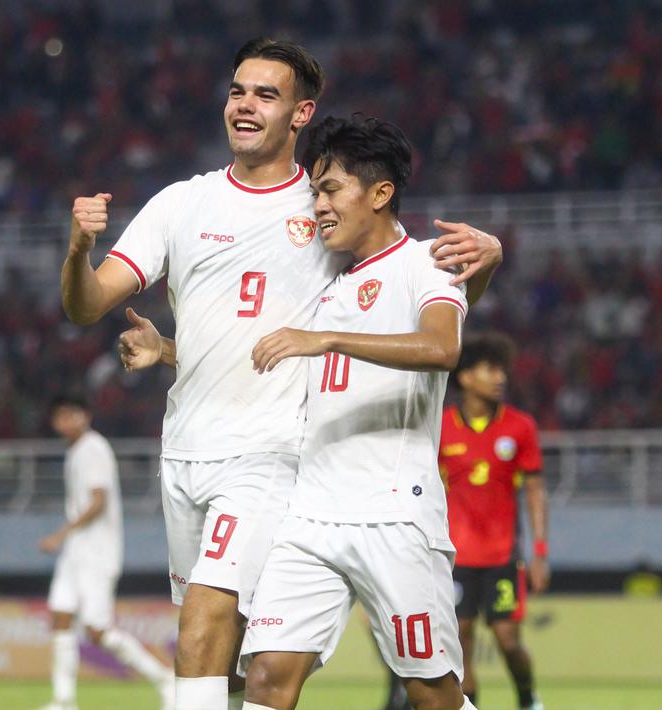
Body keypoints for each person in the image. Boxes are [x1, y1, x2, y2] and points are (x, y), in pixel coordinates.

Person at [63, 38, 503, 710]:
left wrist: (489, 256)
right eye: (237, 90)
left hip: (297, 468)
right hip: (225, 469)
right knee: (248, 670)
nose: (245, 104)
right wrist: (140, 318)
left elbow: (426, 315)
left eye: (265, 94)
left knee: (209, 628)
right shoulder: (187, 205)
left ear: (301, 114)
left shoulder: (345, 220)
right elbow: (96, 307)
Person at [235, 115, 480, 710]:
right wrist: (165, 350)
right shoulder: (325, 282)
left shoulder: (425, 263)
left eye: (330, 189)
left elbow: (442, 348)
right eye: (314, 192)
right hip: (310, 516)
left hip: (393, 514)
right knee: (266, 677)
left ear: (380, 192)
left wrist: (327, 340)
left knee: (432, 694)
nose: (318, 205)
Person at [38, 396, 174, 710]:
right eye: (60, 417)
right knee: (60, 616)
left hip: (97, 551)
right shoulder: (75, 451)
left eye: (71, 415)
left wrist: (61, 534)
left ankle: (164, 678)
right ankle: (64, 700)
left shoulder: (93, 448)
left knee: (97, 631)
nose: (65, 422)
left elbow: (98, 501)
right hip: (76, 550)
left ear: (85, 416)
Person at [440, 334, 549, 710]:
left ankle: (527, 698)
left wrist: (540, 552)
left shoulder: (519, 427)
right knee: (460, 639)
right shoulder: (441, 426)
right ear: (466, 377)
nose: (500, 377)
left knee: (508, 641)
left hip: (502, 555)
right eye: (490, 369)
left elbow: (535, 491)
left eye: (502, 370)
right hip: (456, 557)